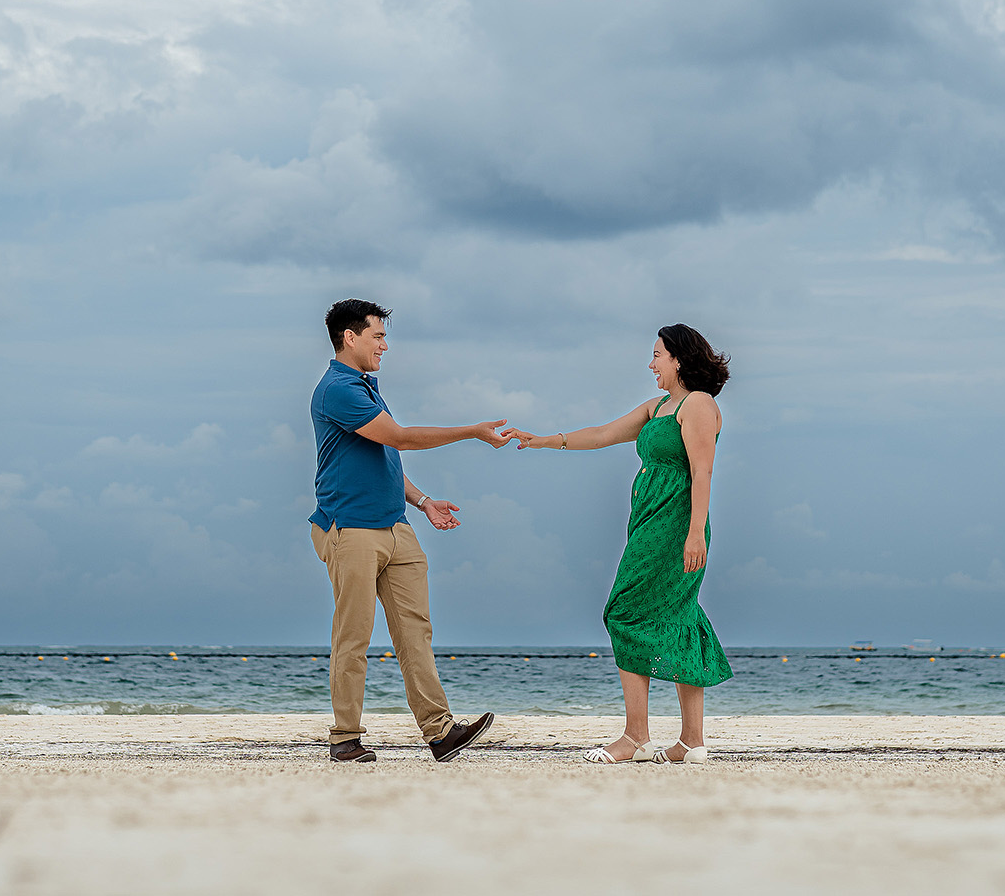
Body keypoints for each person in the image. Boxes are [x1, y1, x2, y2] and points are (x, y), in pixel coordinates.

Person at [503, 324, 732, 764]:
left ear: (679, 359)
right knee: (678, 614)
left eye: (657, 355)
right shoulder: (660, 407)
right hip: (648, 522)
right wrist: (542, 440)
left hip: (674, 526)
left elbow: (702, 471)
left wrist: (693, 532)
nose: (651, 364)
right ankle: (691, 742)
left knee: (623, 611)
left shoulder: (698, 405)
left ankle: (636, 738)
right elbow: (602, 435)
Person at [310, 298, 505, 763]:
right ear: (350, 337)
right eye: (378, 335)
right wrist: (472, 431)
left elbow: (383, 457)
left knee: (415, 633)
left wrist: (421, 501)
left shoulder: (365, 387)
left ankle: (440, 733)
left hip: (396, 527)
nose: (385, 345)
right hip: (351, 529)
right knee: (353, 636)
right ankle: (344, 738)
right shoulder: (337, 389)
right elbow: (398, 437)